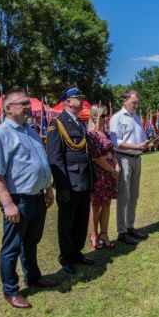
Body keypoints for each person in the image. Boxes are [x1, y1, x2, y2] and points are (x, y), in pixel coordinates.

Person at [0, 88, 57, 309]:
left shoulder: (30, 130)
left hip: (37, 197)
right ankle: (11, 290)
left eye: (28, 102)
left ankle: (33, 276)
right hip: (18, 200)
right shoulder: (1, 135)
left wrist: (47, 188)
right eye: (23, 103)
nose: (28, 106)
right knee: (12, 247)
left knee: (31, 242)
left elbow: (40, 162)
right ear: (8, 108)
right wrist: (8, 203)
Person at [46, 86, 94, 274]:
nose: (82, 100)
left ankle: (77, 252)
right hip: (69, 182)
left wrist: (92, 179)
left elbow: (86, 154)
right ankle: (66, 256)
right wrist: (62, 185)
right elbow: (54, 158)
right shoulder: (57, 123)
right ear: (67, 101)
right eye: (78, 98)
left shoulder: (80, 123)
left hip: (84, 180)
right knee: (66, 222)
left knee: (81, 220)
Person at [110, 90, 149, 245]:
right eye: (133, 102)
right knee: (123, 196)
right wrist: (135, 146)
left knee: (134, 195)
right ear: (124, 101)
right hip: (123, 159)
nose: (136, 105)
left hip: (137, 159)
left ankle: (130, 227)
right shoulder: (117, 118)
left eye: (137, 102)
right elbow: (115, 142)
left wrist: (148, 144)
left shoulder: (137, 118)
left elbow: (143, 139)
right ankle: (121, 231)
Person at [88, 105, 120, 249]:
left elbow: (111, 153)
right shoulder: (91, 135)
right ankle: (94, 234)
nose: (105, 118)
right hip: (98, 175)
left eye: (106, 116)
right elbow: (96, 158)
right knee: (96, 206)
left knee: (107, 204)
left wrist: (116, 165)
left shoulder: (105, 134)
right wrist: (112, 169)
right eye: (102, 116)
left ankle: (104, 233)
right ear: (94, 117)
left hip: (109, 175)